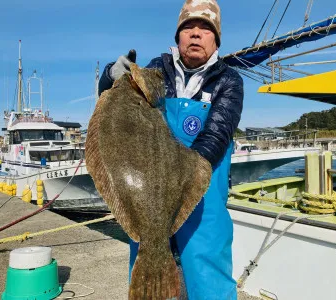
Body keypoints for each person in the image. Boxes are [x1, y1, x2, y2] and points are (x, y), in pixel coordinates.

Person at [98, 0, 244, 298]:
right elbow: (112, 103)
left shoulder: (228, 81)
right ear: (178, 36)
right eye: (188, 27)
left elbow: (215, 137)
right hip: (149, 197)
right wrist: (111, 75)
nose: (195, 34)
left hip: (203, 200)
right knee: (149, 272)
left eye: (205, 29)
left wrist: (180, 182)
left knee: (208, 280)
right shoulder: (154, 71)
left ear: (216, 40)